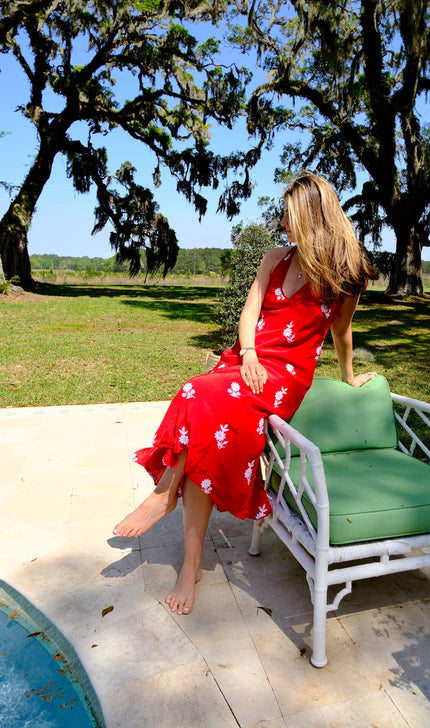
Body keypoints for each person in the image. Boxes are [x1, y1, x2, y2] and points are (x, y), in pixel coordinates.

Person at [113, 171, 378, 615]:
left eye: (289, 216)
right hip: (246, 360)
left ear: (312, 218)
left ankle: (165, 493)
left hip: (285, 376)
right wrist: (249, 352)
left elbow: (342, 334)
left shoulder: (344, 276)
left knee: (196, 393)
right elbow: (249, 311)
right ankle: (189, 564)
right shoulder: (275, 258)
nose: (282, 224)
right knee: (205, 432)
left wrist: (349, 375)